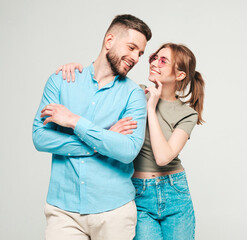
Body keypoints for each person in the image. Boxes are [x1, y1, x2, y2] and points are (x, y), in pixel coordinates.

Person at [58, 43, 205, 240]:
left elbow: (162, 157)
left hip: (175, 192)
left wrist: (151, 109)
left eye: (163, 61)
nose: (154, 63)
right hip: (139, 191)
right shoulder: (135, 93)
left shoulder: (188, 114)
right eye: (154, 57)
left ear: (180, 75)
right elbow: (100, 83)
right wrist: (78, 75)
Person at [32, 14, 152, 240]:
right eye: (132, 47)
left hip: (114, 212)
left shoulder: (134, 95)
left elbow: (127, 151)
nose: (136, 58)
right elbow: (40, 137)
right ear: (109, 41)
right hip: (63, 211)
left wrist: (74, 121)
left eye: (140, 53)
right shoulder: (61, 80)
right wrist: (103, 140)